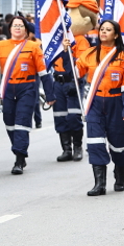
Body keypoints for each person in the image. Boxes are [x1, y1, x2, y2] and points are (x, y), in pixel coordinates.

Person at [76, 20, 124, 195]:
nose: (103, 32)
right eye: (102, 29)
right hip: (94, 103)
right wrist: (68, 53)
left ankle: (120, 175)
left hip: (116, 103)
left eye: (108, 30)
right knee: (95, 142)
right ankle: (100, 184)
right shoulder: (89, 53)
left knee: (118, 144)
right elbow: (76, 73)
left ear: (116, 34)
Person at [0, 16, 55, 174]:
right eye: (15, 25)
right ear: (10, 29)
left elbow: (44, 73)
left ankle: (19, 158)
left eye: (21, 26)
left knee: (22, 121)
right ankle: (18, 149)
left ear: (26, 30)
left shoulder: (33, 46)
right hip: (8, 87)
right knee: (9, 122)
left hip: (27, 87)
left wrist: (50, 95)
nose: (17, 28)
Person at [51, 30, 91, 161]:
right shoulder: (53, 39)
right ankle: (66, 149)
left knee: (74, 116)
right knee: (60, 116)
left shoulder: (79, 40)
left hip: (73, 81)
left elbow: (82, 62)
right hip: (58, 81)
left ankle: (77, 148)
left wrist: (66, 50)